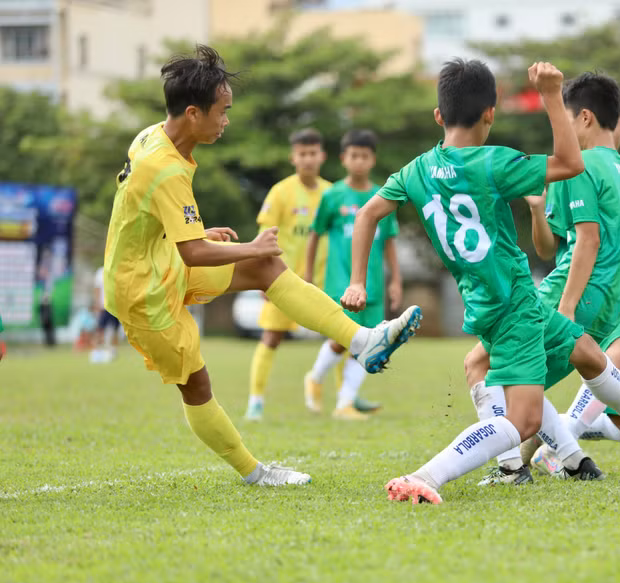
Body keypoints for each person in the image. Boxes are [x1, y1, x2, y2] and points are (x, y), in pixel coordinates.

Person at [341, 59, 620, 504]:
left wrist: (358, 281)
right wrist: (550, 95)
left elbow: (368, 213)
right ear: (491, 113)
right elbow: (569, 162)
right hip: (515, 306)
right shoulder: (494, 163)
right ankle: (429, 475)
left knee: (582, 348)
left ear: (438, 116)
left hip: (486, 301)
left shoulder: (416, 171)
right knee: (520, 422)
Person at [103, 44, 421, 486]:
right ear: (193, 113)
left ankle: (364, 341)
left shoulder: (152, 135)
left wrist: (192, 231)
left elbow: (147, 210)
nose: (227, 120)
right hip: (141, 289)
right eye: (223, 111)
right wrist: (250, 246)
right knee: (196, 384)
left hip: (162, 258)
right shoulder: (166, 166)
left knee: (266, 270)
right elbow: (192, 250)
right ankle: (254, 473)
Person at [303, 129, 401, 420]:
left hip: (373, 284)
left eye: (365, 156)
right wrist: (308, 274)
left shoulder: (382, 196)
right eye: (354, 156)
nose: (359, 162)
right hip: (340, 282)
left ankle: (344, 402)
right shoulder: (332, 196)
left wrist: (396, 279)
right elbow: (314, 235)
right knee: (342, 339)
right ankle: (315, 377)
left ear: (373, 160)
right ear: (344, 159)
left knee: (369, 344)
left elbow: (390, 242)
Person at [245, 128, 331, 421]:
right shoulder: (281, 192)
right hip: (284, 280)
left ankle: (343, 397)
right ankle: (255, 402)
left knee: (342, 336)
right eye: (302, 154)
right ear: (293, 157)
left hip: (323, 280)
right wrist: (262, 274)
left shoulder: (332, 193)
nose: (308, 159)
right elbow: (265, 235)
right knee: (271, 337)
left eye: (313, 153)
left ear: (322, 156)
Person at [90, 266, 120, 363]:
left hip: (115, 306)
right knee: (100, 329)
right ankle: (96, 352)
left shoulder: (117, 269)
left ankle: (113, 351)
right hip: (104, 306)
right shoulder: (100, 272)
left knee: (115, 329)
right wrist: (97, 303)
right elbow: (97, 289)